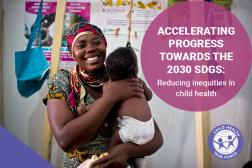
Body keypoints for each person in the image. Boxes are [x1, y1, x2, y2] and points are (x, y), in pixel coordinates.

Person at [43, 22, 163, 168]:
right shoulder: (63, 81)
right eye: (81, 45)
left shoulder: (121, 77)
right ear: (72, 53)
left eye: (97, 42)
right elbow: (66, 141)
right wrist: (110, 97)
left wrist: (126, 150)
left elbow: (155, 136)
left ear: (105, 46)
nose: (91, 48)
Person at [105, 47, 154, 168]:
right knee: (138, 143)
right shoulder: (139, 81)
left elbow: (105, 103)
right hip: (149, 128)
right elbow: (149, 96)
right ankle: (140, 165)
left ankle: (124, 165)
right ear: (135, 70)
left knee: (113, 145)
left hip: (131, 129)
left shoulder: (110, 87)